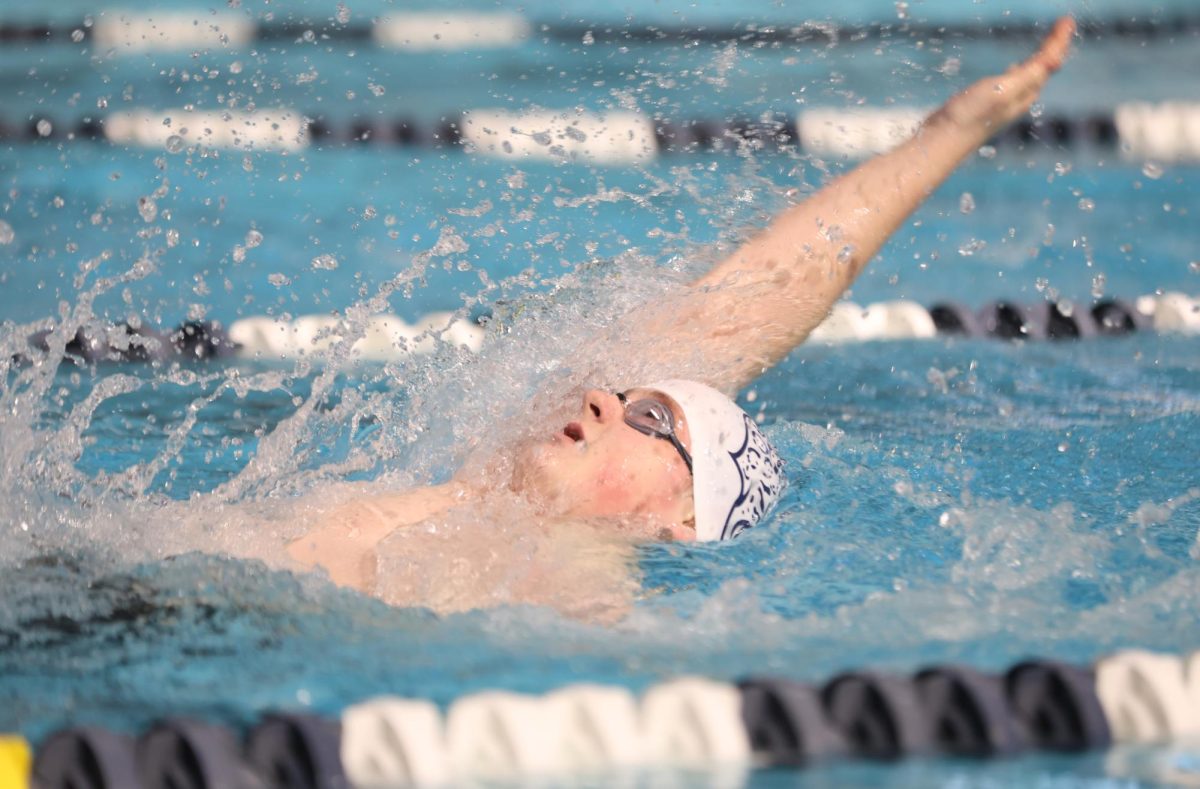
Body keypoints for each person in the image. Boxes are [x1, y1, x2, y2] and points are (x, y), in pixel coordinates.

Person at [283, 18, 1076, 614]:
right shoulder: (476, 493)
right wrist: (950, 134)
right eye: (630, 395)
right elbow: (759, 292)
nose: (598, 396)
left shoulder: (576, 575)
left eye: (651, 416)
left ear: (685, 518)